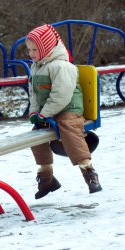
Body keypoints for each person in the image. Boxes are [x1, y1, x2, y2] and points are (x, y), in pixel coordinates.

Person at [25, 24, 102, 199]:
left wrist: (45, 113)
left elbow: (62, 95)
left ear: (46, 47)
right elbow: (34, 94)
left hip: (69, 108)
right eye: (29, 49)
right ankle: (47, 177)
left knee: (68, 127)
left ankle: (88, 171)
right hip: (50, 110)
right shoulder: (36, 67)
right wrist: (35, 113)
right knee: (35, 136)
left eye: (35, 49)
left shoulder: (61, 66)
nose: (31, 53)